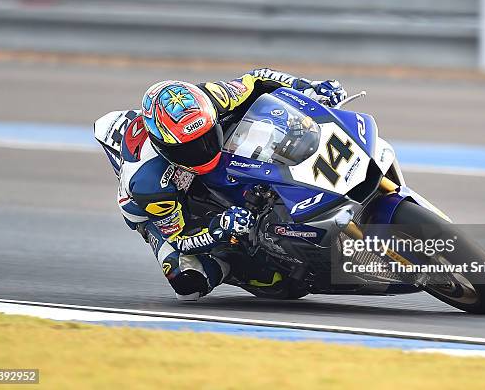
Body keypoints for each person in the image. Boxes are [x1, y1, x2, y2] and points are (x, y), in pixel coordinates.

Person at [95, 68, 347, 301]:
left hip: (204, 160)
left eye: (206, 137)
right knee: (190, 284)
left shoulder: (211, 97)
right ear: (165, 149)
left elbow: (258, 79)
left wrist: (307, 86)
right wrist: (220, 228)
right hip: (159, 212)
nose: (203, 150)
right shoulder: (150, 183)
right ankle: (228, 263)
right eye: (190, 148)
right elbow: (180, 238)